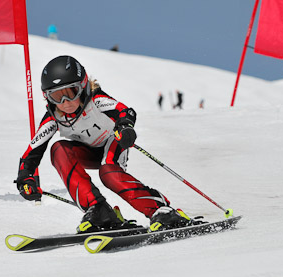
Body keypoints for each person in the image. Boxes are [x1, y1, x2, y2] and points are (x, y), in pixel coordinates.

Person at [15, 55, 191, 233]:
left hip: (113, 141)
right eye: (56, 96)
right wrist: (25, 176)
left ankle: (161, 210)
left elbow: (125, 111)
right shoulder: (54, 117)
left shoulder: (96, 100)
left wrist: (125, 127)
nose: (65, 103)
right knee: (58, 149)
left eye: (70, 93)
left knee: (108, 173)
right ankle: (98, 210)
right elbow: (33, 150)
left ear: (83, 87)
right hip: (88, 152)